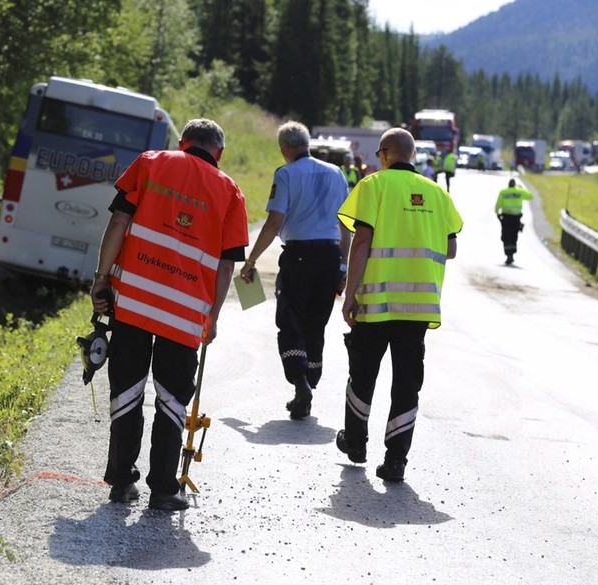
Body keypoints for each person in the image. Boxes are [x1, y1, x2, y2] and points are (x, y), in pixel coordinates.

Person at [91, 118, 249, 511]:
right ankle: (163, 489)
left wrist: (101, 279)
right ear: (220, 153)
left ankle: (121, 481)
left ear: (183, 143)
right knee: (171, 400)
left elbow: (118, 221)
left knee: (127, 390)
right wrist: (211, 318)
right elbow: (227, 266)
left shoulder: (149, 163)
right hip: (185, 314)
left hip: (133, 304)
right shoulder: (231, 192)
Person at [335, 128, 463, 482]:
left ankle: (356, 443)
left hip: (376, 302)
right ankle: (395, 461)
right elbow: (451, 249)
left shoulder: (374, 185)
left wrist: (350, 295)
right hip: (419, 307)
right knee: (407, 383)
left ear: (386, 153)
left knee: (363, 373)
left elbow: (361, 242)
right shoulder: (438, 193)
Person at [239, 121, 351, 420]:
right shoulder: (336, 173)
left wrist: (251, 261)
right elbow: (346, 226)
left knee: (290, 322)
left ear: (285, 149)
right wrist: (343, 264)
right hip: (330, 255)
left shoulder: (285, 173)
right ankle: (308, 387)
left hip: (299, 256)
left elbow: (275, 222)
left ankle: (300, 382)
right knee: (316, 324)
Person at [495, 178, 534, 265]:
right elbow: (530, 196)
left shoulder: (503, 192)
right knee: (513, 236)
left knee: (506, 236)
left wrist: (497, 213)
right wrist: (521, 189)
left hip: (506, 218)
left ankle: (508, 255)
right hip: (516, 218)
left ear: (508, 185)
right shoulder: (519, 192)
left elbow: (498, 204)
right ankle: (511, 255)